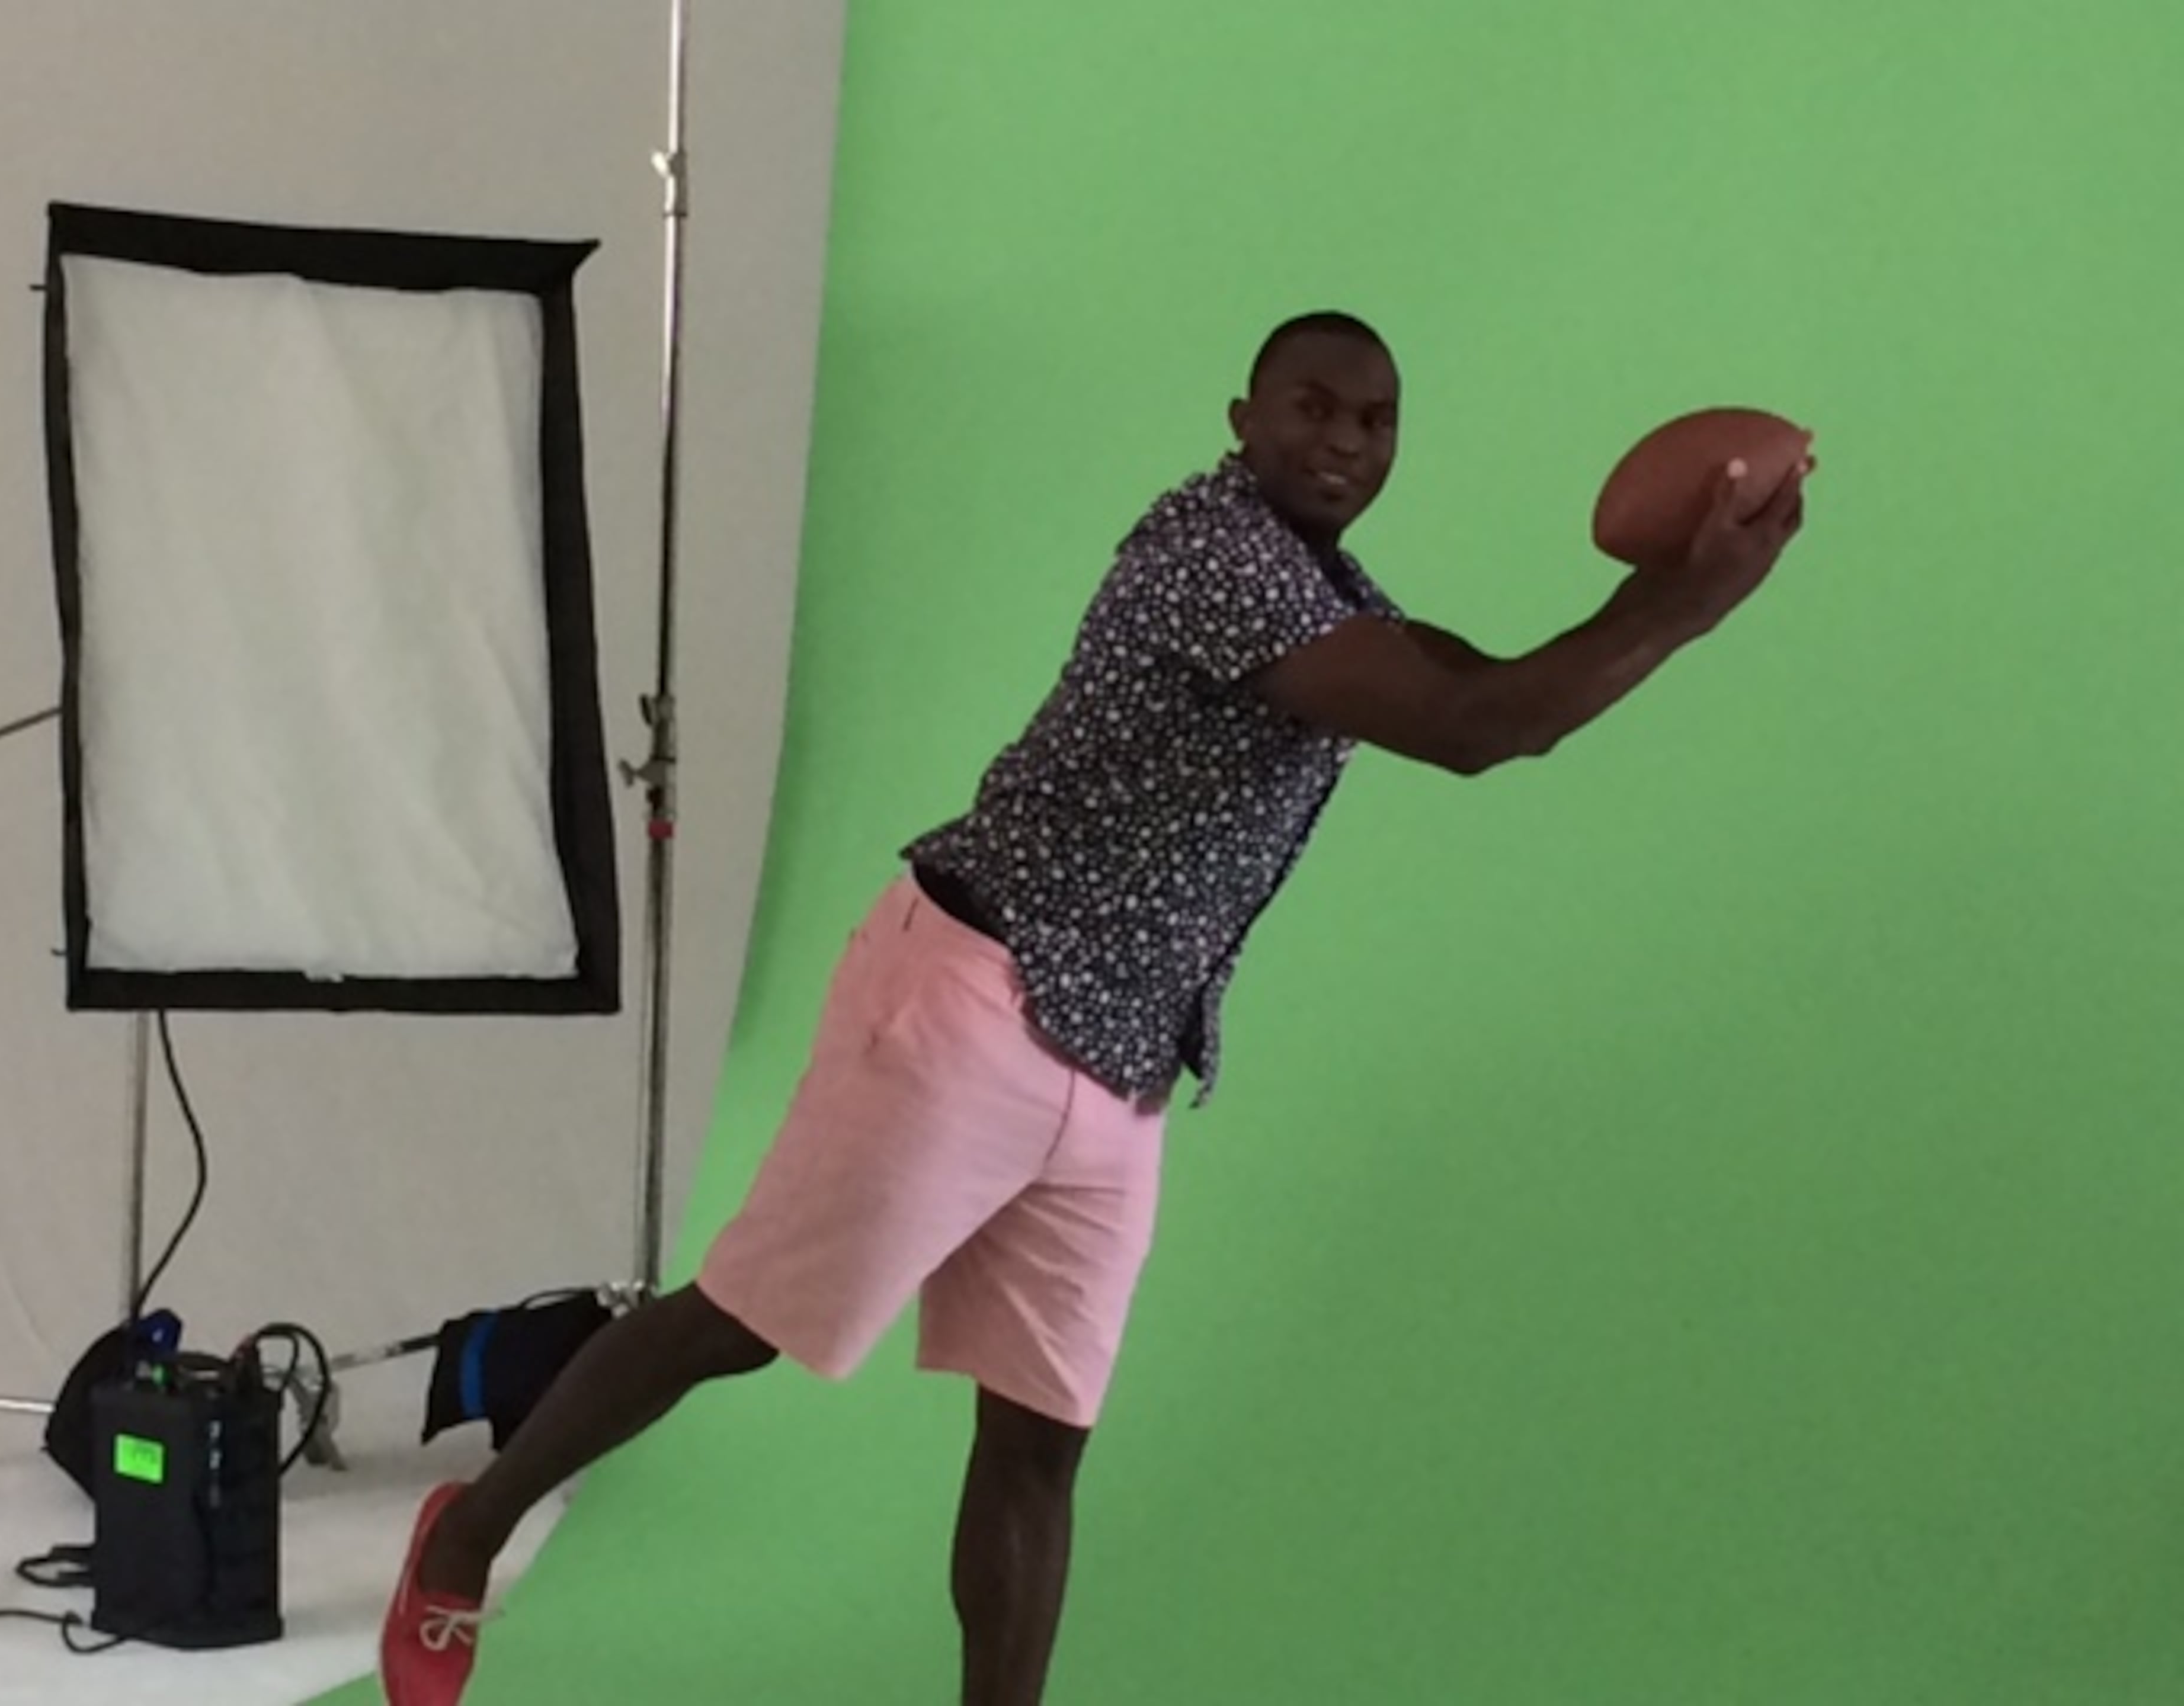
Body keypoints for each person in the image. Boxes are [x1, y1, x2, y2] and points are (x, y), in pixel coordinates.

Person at [378, 311, 1810, 1706]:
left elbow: (1500, 690)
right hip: (970, 996)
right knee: (737, 1321)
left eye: (1377, 421)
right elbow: (1477, 732)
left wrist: (1668, 596)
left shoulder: (1334, 599)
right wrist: (1686, 600)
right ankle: (471, 1531)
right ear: (1243, 418)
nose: (1345, 439)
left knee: (1038, 1441)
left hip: (1121, 1065)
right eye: (1313, 405)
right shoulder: (1212, 553)